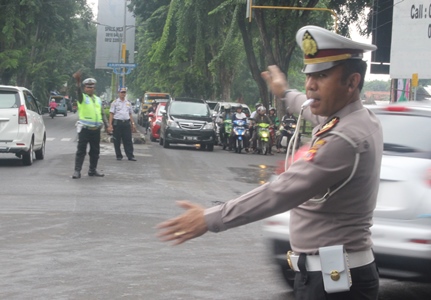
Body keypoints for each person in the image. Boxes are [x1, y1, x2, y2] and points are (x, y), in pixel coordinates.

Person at [157, 25, 383, 300]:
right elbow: (308, 107)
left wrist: (209, 219)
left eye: (322, 76)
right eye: (310, 75)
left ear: (352, 82)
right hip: (333, 277)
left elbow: (280, 192)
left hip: (334, 285)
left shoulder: (343, 140)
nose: (311, 85)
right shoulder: (357, 118)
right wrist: (285, 91)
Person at [71, 71, 110, 179]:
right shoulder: (82, 98)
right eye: (88, 87)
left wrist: (107, 126)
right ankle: (77, 171)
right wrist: (78, 83)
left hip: (96, 129)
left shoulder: (98, 99)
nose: (90, 89)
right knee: (81, 151)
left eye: (92, 87)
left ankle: (92, 170)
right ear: (84, 88)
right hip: (84, 129)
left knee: (95, 151)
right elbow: (78, 92)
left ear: (94, 88)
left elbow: (102, 113)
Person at [108, 87, 137, 161]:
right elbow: (111, 114)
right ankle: (119, 155)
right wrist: (110, 125)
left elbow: (130, 114)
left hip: (126, 123)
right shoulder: (115, 103)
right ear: (119, 93)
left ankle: (130, 155)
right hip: (117, 123)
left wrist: (133, 123)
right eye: (122, 92)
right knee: (117, 140)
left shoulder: (128, 103)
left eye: (124, 92)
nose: (123, 94)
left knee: (128, 140)